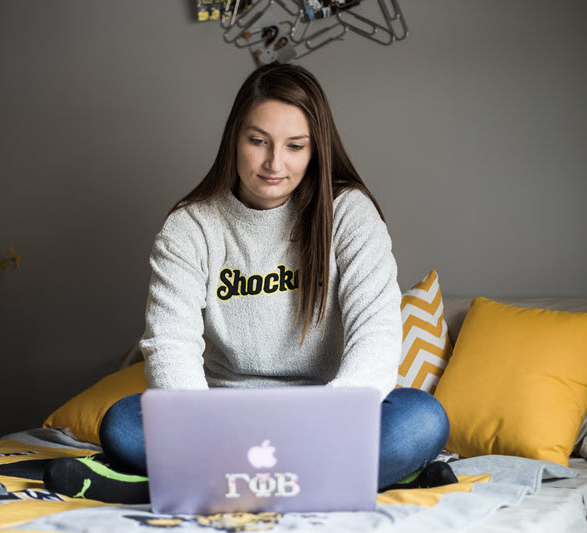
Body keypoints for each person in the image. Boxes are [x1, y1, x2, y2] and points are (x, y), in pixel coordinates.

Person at [44, 63, 455, 504]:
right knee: (123, 423)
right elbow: (170, 346)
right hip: (221, 418)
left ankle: (177, 485)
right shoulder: (189, 226)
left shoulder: (350, 214)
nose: (274, 163)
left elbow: (376, 335)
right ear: (234, 139)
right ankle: (365, 479)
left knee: (422, 419)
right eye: (258, 141)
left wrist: (325, 424)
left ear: (316, 149)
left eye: (295, 146)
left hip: (324, 417)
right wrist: (210, 428)